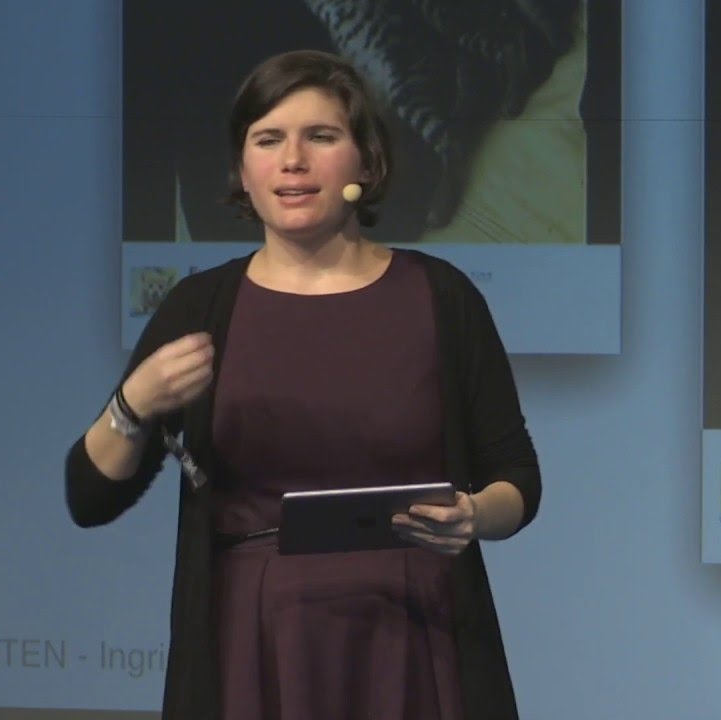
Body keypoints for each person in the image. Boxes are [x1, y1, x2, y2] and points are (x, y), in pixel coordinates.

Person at [64, 49, 542, 720]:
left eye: (320, 136)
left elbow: (516, 476)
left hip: (413, 634)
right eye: (268, 140)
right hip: (253, 641)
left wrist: (474, 514)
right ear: (242, 171)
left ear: (367, 163)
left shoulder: (441, 296)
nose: (293, 160)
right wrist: (134, 404)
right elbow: (88, 497)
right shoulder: (201, 308)